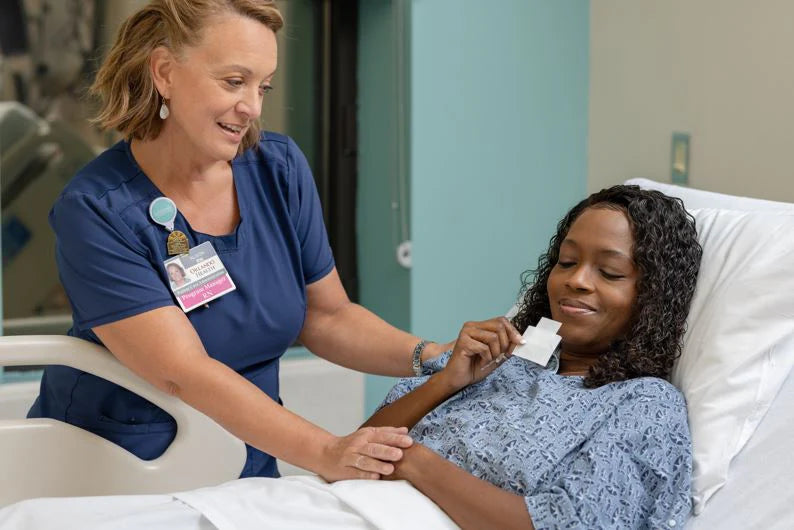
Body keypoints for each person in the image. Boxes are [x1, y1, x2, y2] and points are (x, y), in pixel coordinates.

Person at [28, 0, 480, 481]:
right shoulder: (96, 209)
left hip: (245, 460)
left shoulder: (277, 169)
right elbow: (184, 370)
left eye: (262, 86)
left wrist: (433, 357)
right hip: (118, 470)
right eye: (233, 82)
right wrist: (327, 451)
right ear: (164, 72)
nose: (253, 107)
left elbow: (327, 316)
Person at [363, 185, 702, 529]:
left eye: (610, 272)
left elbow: (569, 523)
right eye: (566, 262)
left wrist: (418, 464)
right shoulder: (495, 360)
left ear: (652, 298)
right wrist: (445, 381)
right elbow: (355, 449)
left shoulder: (644, 404)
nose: (576, 280)